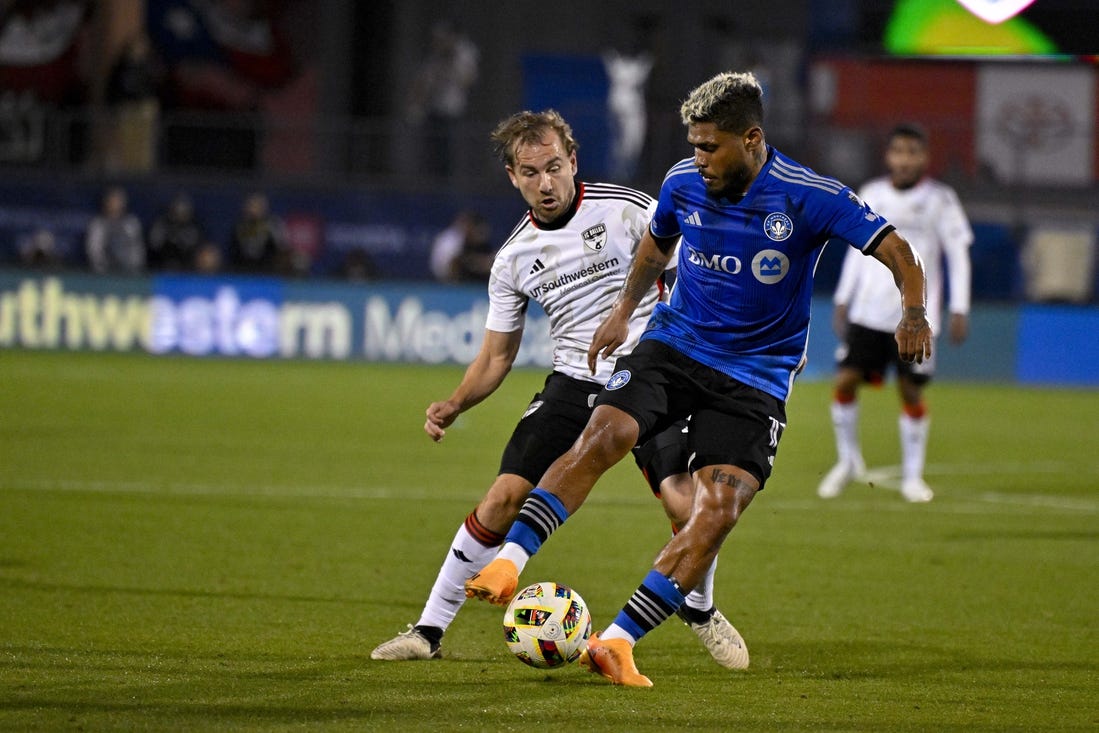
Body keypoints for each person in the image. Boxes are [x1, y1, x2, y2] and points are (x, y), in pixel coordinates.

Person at [464, 72, 931, 687]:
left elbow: (897, 251)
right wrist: (623, 312)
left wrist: (914, 311)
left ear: (752, 139)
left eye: (710, 146)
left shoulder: (807, 195)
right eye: (693, 145)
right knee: (603, 435)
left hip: (756, 376)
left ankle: (617, 642)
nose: (698, 158)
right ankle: (510, 560)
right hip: (674, 346)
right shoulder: (683, 182)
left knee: (716, 511)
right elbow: (655, 250)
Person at [371, 110, 748, 671]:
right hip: (576, 381)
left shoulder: (627, 209)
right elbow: (497, 355)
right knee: (501, 499)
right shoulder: (513, 259)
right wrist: (456, 402)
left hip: (653, 373)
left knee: (686, 503)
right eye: (530, 172)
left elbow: (702, 262)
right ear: (512, 176)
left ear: (573, 161)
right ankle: (428, 629)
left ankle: (698, 606)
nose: (545, 184)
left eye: (554, 167)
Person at [818, 123, 973, 503]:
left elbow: (957, 254)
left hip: (915, 317)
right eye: (898, 152)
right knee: (844, 382)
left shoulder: (941, 199)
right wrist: (843, 297)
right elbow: (857, 250)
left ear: (925, 157)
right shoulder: (871, 193)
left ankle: (912, 476)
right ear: (888, 156)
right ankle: (848, 460)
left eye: (912, 152)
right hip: (867, 312)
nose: (905, 160)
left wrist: (959, 307)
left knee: (910, 391)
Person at [85, 185, 145, 274]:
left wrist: (134, 267)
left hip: (129, 272)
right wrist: (102, 267)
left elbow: (137, 248)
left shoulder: (131, 223)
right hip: (104, 272)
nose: (115, 204)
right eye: (112, 201)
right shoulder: (98, 223)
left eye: (118, 201)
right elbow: (94, 249)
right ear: (106, 202)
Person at [227, 192, 289, 274]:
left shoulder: (273, 224)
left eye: (257, 206)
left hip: (268, 270)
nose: (254, 209)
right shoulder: (239, 226)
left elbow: (282, 247)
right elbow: (233, 250)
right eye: (251, 205)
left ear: (264, 208)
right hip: (242, 271)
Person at [147, 192, 205, 271]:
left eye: (184, 212)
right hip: (159, 267)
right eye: (178, 210)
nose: (180, 214)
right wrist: (170, 239)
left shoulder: (193, 227)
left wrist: (180, 241)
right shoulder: (161, 224)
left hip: (188, 269)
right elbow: (154, 246)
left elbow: (196, 248)